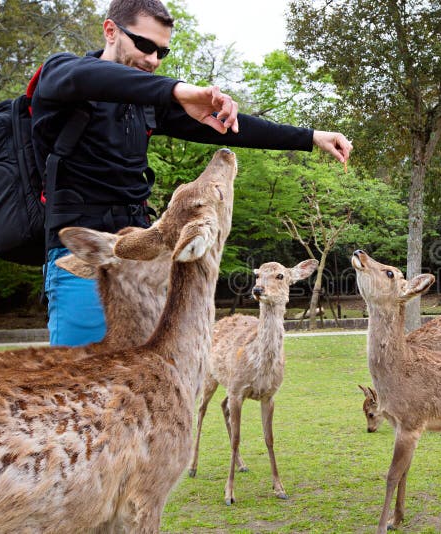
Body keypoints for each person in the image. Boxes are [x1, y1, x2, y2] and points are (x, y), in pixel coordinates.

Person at [33, 0, 352, 346]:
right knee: (82, 383)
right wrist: (178, 90)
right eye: (144, 45)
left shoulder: (147, 105)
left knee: (148, 383)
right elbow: (87, 76)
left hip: (143, 259)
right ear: (110, 31)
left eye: (162, 52)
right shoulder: (62, 75)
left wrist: (311, 137)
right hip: (84, 257)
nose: (153, 60)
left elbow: (233, 127)